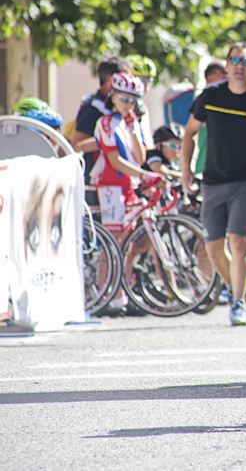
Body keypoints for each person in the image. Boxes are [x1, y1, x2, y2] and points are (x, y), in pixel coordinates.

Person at [181, 43, 246, 326]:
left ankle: (238, 302)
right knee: (213, 248)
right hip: (213, 181)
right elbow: (189, 133)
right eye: (235, 60)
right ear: (226, 65)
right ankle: (235, 286)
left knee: (239, 243)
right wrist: (186, 170)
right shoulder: (210, 96)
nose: (240, 66)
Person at [92, 73, 165, 314]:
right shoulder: (105, 123)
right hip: (112, 187)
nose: (128, 104)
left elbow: (141, 158)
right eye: (124, 98)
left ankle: (121, 294)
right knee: (113, 243)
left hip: (130, 187)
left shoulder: (128, 123)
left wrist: (134, 129)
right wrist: (145, 176)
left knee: (127, 245)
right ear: (113, 96)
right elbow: (114, 160)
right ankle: (104, 293)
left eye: (133, 100)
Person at [70, 56, 132, 202]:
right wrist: (106, 139)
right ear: (111, 80)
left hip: (120, 182)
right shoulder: (93, 107)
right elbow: (76, 146)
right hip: (96, 184)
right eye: (125, 77)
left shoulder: (121, 112)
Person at [192, 60, 228, 178]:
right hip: (206, 163)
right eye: (225, 73)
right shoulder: (204, 98)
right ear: (217, 73)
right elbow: (190, 133)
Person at [127, 54, 158, 148]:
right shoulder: (120, 105)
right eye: (142, 80)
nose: (146, 86)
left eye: (149, 81)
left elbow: (146, 139)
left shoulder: (142, 106)